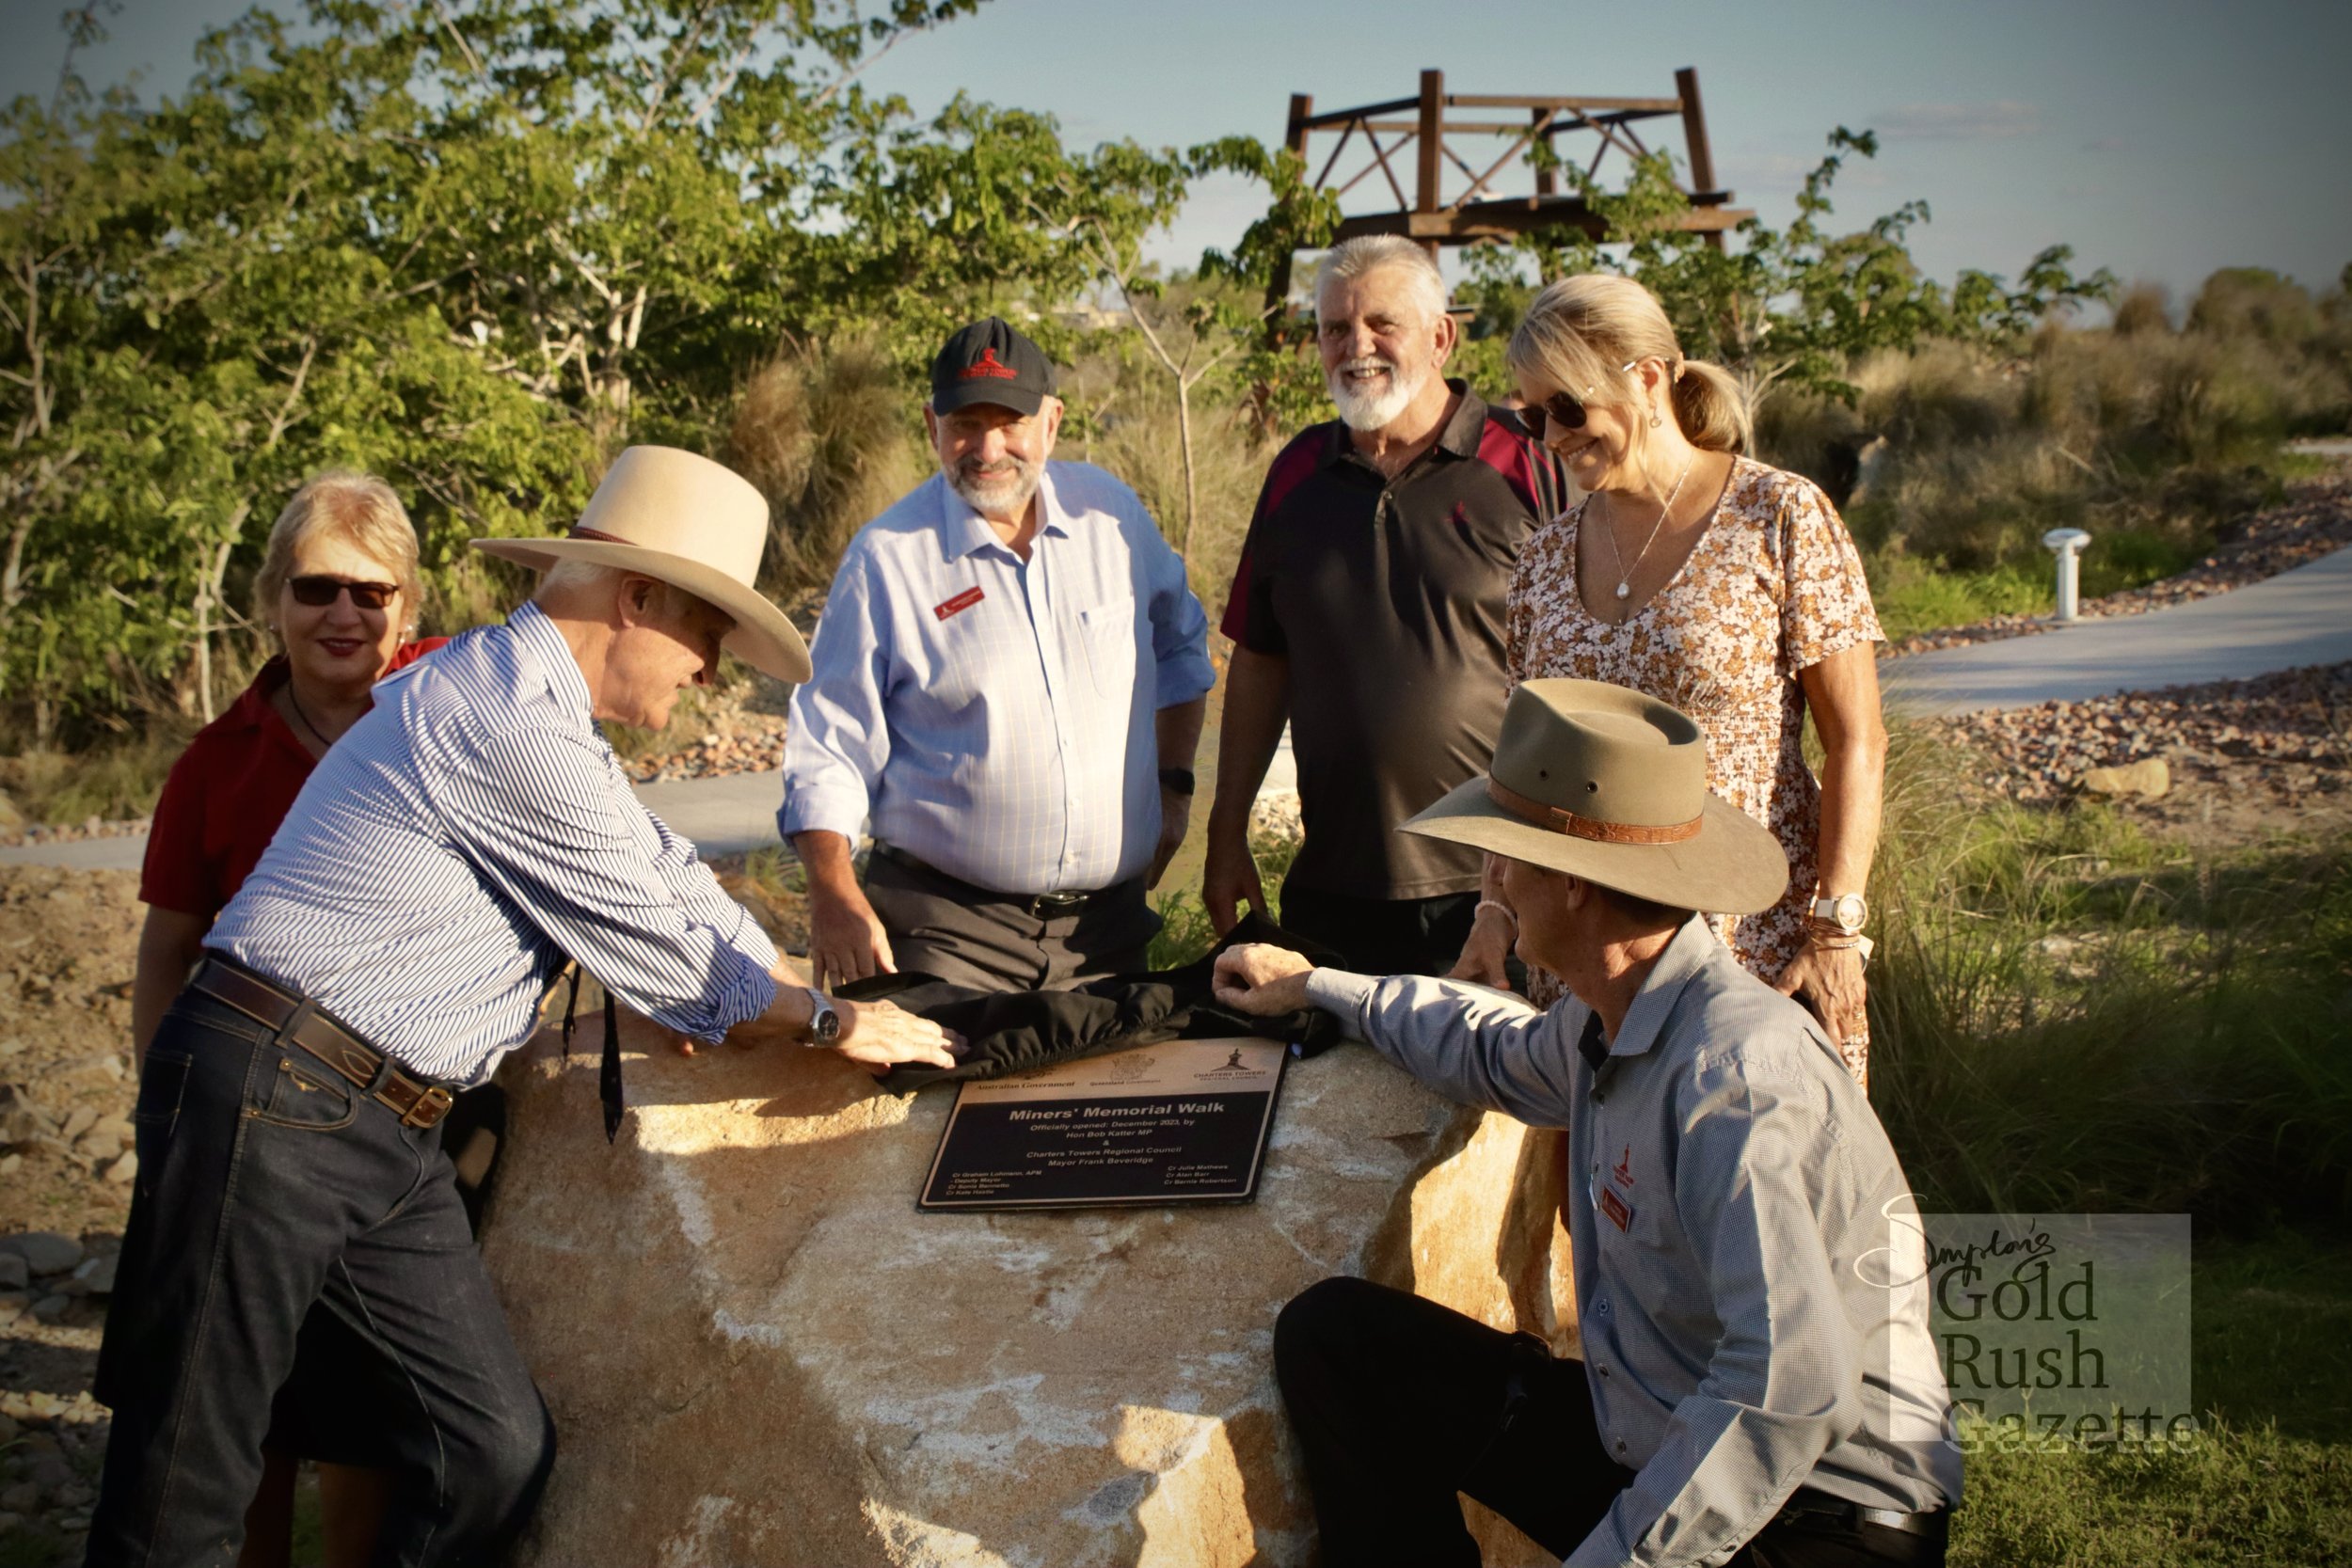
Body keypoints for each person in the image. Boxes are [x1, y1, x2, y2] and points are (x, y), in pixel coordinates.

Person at [86, 447, 960, 1565]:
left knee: (486, 1451)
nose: (706, 673)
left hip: (379, 1123)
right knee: (184, 1493)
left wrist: (802, 982)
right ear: (636, 600)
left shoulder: (547, 724)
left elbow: (670, 876)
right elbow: (673, 962)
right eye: (706, 637)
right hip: (275, 1090)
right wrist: (834, 1024)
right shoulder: (502, 718)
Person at [1214, 678, 1961, 1567]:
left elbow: (1787, 1390)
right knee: (1337, 1337)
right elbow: (1489, 1047)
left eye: (1505, 853)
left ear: (1572, 885)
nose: (1489, 878)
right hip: (1663, 1436)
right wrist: (1316, 987)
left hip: (1812, 1517)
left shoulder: (1737, 1084)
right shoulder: (1616, 1011)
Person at [1452, 273, 1889, 1085]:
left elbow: (1857, 739)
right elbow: (1520, 768)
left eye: (1567, 408)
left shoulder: (1780, 516)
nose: (1550, 436)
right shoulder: (1545, 559)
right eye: (1530, 413)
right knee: (1607, 1206)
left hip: (1752, 957)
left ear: (1648, 377)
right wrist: (1493, 910)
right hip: (1583, 980)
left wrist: (1835, 930)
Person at [127, 472, 450, 1568]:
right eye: (318, 587)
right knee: (234, 1424)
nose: (345, 614)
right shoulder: (212, 765)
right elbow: (167, 948)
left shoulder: (451, 729)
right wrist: (160, 1121)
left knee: (368, 1422)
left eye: (373, 591)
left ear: (409, 606)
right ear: (274, 597)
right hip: (232, 1126)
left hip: (387, 1137)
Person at [781, 317, 1216, 992]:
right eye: (965, 423)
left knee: (1113, 1098)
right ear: (932, 426)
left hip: (1109, 936)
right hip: (948, 937)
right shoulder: (886, 558)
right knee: (939, 1101)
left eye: (1010, 422)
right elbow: (828, 747)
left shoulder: (1114, 519)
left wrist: (1174, 785)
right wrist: (832, 894)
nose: (987, 448)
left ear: (1052, 423)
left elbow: (1182, 645)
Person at [1202, 234, 1566, 978]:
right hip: (1334, 889)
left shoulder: (1529, 463)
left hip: (1496, 891)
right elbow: (1261, 658)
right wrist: (1225, 830)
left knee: (1495, 1092)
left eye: (1381, 325)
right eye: (1335, 328)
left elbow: (1587, 669)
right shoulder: (1297, 472)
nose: (1356, 346)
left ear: (1441, 337)